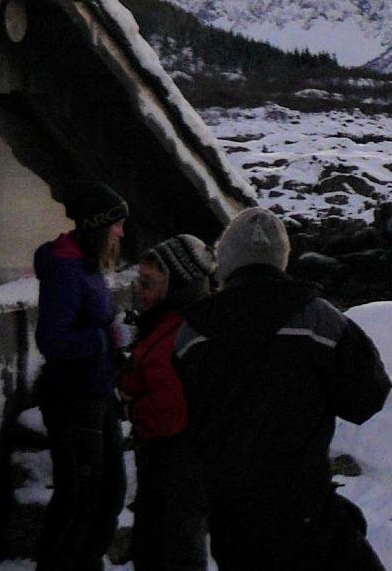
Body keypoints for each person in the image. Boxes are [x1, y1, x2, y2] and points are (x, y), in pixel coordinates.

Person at [176, 208, 392, 569]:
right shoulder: (320, 321)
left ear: (225, 262)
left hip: (231, 516)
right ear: (282, 259)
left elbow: (182, 416)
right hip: (306, 511)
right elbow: (368, 398)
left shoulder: (192, 333)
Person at [34, 181, 130, 570]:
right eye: (117, 225)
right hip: (74, 400)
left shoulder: (84, 267)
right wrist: (107, 337)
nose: (122, 232)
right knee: (81, 498)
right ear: (98, 226)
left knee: (107, 493)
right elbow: (53, 340)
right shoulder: (66, 272)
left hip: (96, 393)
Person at [118, 235, 215, 570]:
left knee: (174, 552)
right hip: (168, 461)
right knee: (157, 548)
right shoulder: (166, 323)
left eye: (148, 283)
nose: (139, 291)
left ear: (176, 286)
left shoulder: (180, 332)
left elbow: (171, 408)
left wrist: (132, 407)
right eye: (138, 282)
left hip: (179, 462)